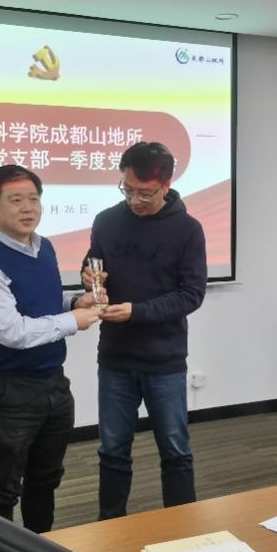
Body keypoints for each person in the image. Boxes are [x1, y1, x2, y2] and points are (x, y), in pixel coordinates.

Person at [0, 164, 100, 533]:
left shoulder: (45, 247)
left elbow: (42, 306)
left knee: (46, 479)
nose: (27, 208)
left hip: (54, 382)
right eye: (15, 200)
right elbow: (12, 331)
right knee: (3, 487)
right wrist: (73, 321)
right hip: (9, 390)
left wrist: (75, 303)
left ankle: (40, 551)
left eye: (33, 199)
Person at [82, 141, 207, 519]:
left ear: (166, 184)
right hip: (115, 357)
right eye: (128, 189)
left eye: (146, 193)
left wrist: (137, 312)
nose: (135, 200)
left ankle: (181, 530)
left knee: (175, 451)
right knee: (112, 451)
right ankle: (109, 527)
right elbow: (92, 265)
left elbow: (191, 294)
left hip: (164, 359)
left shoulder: (187, 230)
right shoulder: (107, 221)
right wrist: (90, 277)